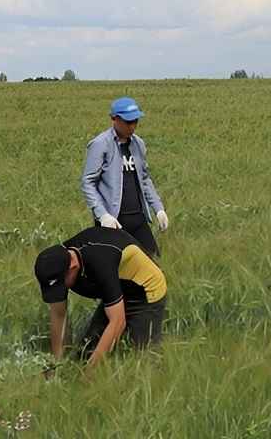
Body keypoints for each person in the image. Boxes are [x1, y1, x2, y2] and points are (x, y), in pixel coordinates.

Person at [33, 225, 168, 369]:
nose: (60, 290)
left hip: (145, 292)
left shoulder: (100, 260)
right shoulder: (56, 265)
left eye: (61, 284)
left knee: (141, 360)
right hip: (117, 287)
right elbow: (59, 314)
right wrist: (57, 364)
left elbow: (117, 321)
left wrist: (90, 372)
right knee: (84, 355)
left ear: (73, 267)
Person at [81, 97, 169, 256]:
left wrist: (158, 209)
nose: (133, 126)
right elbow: (88, 183)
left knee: (154, 261)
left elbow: (144, 178)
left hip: (138, 218)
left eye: (135, 121)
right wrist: (102, 215)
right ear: (115, 119)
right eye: (129, 122)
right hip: (113, 221)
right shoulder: (100, 144)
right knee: (117, 270)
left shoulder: (138, 144)